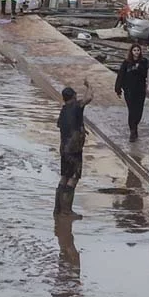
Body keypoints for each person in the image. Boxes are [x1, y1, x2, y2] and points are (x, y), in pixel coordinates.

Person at [55, 80, 93, 216]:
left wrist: (81, 127)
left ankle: (58, 209)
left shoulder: (63, 110)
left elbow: (63, 125)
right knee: (74, 178)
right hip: (74, 150)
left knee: (64, 176)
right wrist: (89, 86)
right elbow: (89, 98)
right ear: (73, 97)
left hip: (63, 148)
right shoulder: (77, 106)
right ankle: (67, 210)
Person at [115, 44, 148, 142]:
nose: (136, 52)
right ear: (131, 52)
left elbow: (147, 74)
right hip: (129, 90)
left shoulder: (144, 62)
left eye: (138, 50)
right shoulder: (126, 63)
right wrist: (118, 88)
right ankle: (132, 131)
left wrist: (139, 68)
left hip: (140, 90)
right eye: (135, 50)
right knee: (132, 111)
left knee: (139, 111)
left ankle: (135, 126)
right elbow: (120, 75)